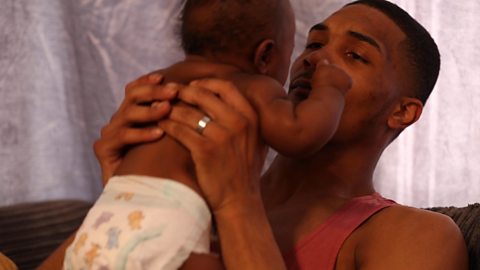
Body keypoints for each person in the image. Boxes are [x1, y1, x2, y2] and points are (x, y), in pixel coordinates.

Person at [40, 0, 469, 269]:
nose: (316, 61)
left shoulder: (413, 234)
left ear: (402, 111)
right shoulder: (190, 195)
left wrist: (236, 205)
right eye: (313, 44)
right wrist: (130, 191)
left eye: (354, 55)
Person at [62, 0, 351, 269]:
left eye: (353, 55)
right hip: (165, 228)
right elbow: (300, 133)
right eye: (303, 47)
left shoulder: (161, 81)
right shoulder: (253, 86)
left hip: (101, 224)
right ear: (265, 55)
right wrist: (331, 89)